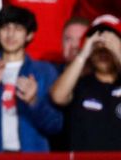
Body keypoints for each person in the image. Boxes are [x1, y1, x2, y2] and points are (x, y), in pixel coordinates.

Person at [0, 6, 63, 152]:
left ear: (30, 35)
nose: (11, 34)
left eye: (18, 29)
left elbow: (55, 126)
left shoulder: (44, 72)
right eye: (5, 28)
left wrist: (33, 102)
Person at [49, 15, 121, 151]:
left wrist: (118, 52)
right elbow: (58, 96)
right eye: (98, 49)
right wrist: (84, 53)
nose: (104, 50)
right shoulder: (80, 85)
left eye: (112, 39)